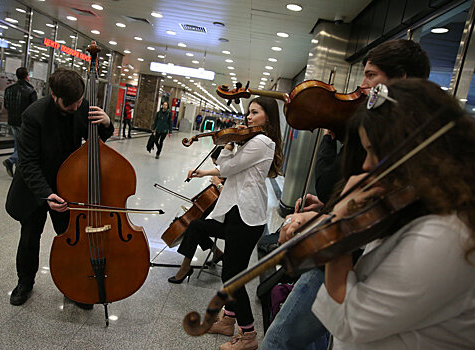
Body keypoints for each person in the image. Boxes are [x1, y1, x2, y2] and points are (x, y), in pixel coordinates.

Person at [262, 38, 431, 350]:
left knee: (278, 342)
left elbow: (376, 210)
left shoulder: (409, 142)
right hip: (350, 258)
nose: (361, 85)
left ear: (402, 79)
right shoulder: (376, 127)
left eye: (371, 75)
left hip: (356, 261)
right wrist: (326, 209)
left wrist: (334, 222)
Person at [312, 78, 475, 349]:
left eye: (375, 152)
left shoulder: (447, 235)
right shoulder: (423, 206)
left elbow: (351, 321)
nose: (367, 165)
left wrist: (337, 229)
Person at [169, 97, 283, 350]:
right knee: (232, 269)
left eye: (255, 112)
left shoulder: (263, 142)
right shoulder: (253, 140)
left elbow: (229, 168)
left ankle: (249, 335)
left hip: (247, 215)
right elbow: (232, 169)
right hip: (237, 211)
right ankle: (227, 321)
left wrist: (228, 146)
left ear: (269, 117)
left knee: (233, 276)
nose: (249, 118)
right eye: (249, 113)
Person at [5, 69, 114, 307]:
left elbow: (96, 142)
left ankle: (72, 285)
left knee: (69, 239)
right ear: (54, 95)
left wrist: (107, 124)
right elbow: (28, 164)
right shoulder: (33, 115)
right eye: (71, 104)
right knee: (30, 237)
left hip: (67, 186)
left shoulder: (81, 106)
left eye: (79, 102)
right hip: (35, 189)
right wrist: (46, 194)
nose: (76, 108)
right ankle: (25, 282)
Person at [2, 67, 37, 177]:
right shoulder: (31, 91)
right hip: (24, 122)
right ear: (27, 76)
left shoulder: (9, 89)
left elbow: (6, 105)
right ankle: (11, 160)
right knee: (25, 145)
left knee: (17, 143)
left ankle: (18, 168)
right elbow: (34, 109)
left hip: (12, 121)